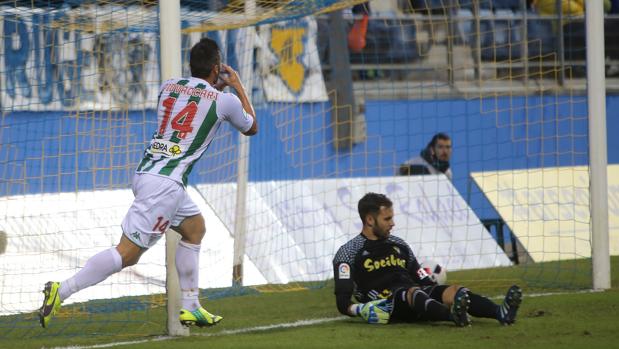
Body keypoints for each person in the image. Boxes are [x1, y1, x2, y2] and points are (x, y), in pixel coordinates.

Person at [39, 37, 258, 328]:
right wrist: (238, 85)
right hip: (165, 185)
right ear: (217, 68)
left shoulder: (168, 86)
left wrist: (213, 85)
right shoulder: (225, 101)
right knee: (127, 254)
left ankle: (191, 306)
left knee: (195, 228)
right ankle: (62, 290)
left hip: (148, 172)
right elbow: (251, 126)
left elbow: (192, 104)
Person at [332, 192, 522, 326]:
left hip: (414, 295)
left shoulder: (400, 245)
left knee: (455, 291)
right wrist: (361, 310)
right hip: (387, 303)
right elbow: (343, 303)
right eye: (387, 219)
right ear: (370, 220)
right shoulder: (348, 253)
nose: (393, 223)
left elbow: (421, 276)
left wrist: (435, 286)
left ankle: (500, 312)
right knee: (412, 293)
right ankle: (451, 316)